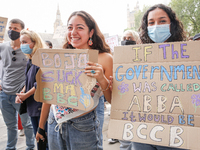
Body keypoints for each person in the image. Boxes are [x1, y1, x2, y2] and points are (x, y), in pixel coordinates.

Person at [36, 10, 113, 150]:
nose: (73, 32)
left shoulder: (105, 59)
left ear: (91, 32)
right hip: (54, 123)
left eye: (80, 27)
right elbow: (49, 95)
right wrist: (41, 126)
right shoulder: (59, 57)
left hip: (83, 126)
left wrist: (102, 79)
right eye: (70, 27)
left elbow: (112, 99)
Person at [131, 4, 187, 150]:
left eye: (162, 21)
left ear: (172, 24)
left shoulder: (189, 56)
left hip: (177, 132)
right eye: (151, 22)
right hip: (142, 132)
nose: (156, 26)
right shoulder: (136, 59)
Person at [0, 19, 35, 150]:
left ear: (22, 31)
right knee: (10, 125)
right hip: (4, 93)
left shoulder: (28, 49)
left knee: (27, 124)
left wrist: (25, 92)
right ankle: (10, 148)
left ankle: (30, 147)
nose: (12, 30)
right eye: (10, 28)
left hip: (21, 94)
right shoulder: (2, 47)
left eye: (16, 28)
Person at [15, 29, 48, 150]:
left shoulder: (43, 59)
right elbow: (28, 80)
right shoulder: (31, 59)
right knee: (38, 138)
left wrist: (26, 95)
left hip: (40, 105)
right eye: (21, 42)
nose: (22, 45)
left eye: (25, 42)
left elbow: (41, 83)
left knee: (43, 138)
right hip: (32, 104)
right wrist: (23, 92)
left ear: (34, 42)